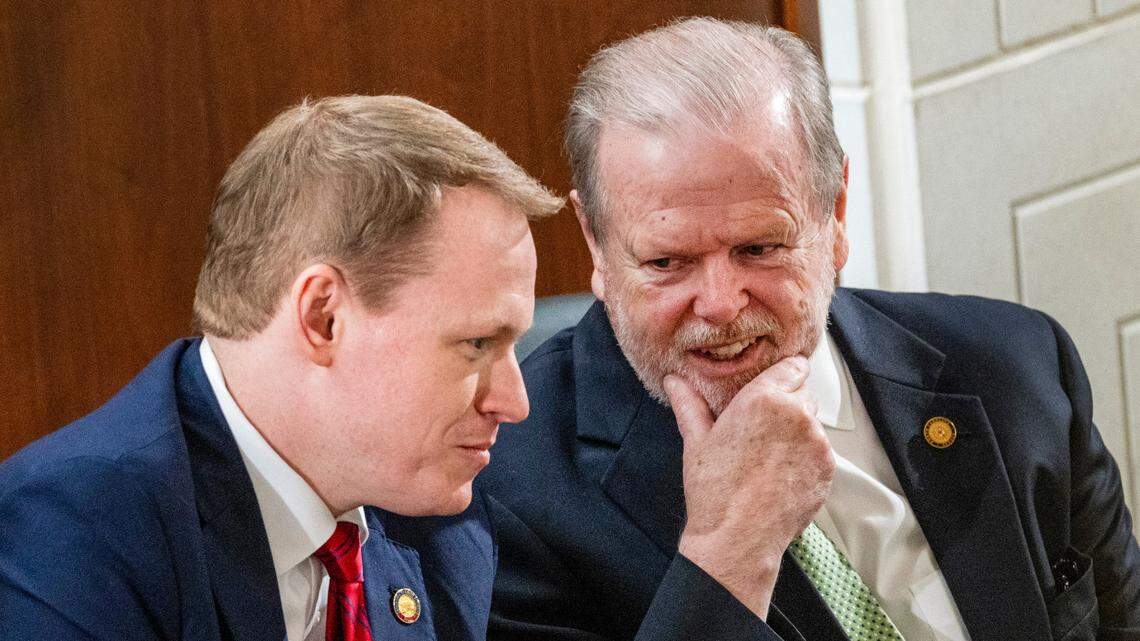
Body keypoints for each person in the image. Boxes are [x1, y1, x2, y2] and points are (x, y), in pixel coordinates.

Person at [477, 18, 1140, 641]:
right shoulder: (504, 493)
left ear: (836, 212)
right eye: (666, 261)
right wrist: (730, 550)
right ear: (595, 243)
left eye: (759, 248)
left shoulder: (1016, 369)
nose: (720, 304)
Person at [0, 95, 563, 641]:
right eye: (477, 343)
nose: (514, 403)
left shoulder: (436, 514)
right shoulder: (74, 537)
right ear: (323, 318)